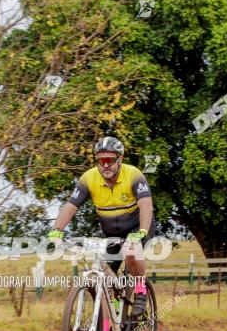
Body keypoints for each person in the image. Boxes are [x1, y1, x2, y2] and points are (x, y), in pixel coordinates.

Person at [48, 136, 155, 319]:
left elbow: (146, 205)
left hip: (137, 228)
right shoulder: (89, 178)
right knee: (103, 278)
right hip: (111, 233)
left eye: (110, 160)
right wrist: (56, 229)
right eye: (101, 161)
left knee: (131, 249)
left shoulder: (134, 174)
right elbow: (71, 206)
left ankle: (140, 289)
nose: (105, 165)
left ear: (119, 159)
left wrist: (142, 232)